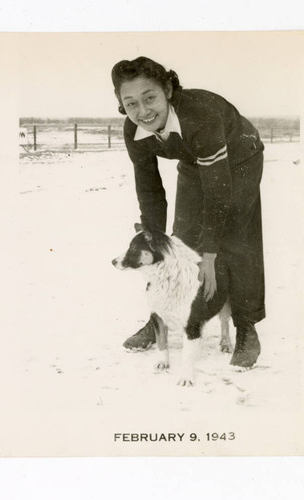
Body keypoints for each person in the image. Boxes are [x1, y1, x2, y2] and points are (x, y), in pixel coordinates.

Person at [111, 56, 265, 368]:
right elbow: (150, 190)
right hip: (198, 163)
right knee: (179, 243)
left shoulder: (200, 115)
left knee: (234, 241)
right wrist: (154, 240)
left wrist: (208, 254)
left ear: (167, 89)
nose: (142, 111)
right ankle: (161, 322)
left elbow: (218, 194)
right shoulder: (133, 131)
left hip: (239, 159)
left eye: (150, 97)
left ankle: (246, 328)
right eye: (131, 104)